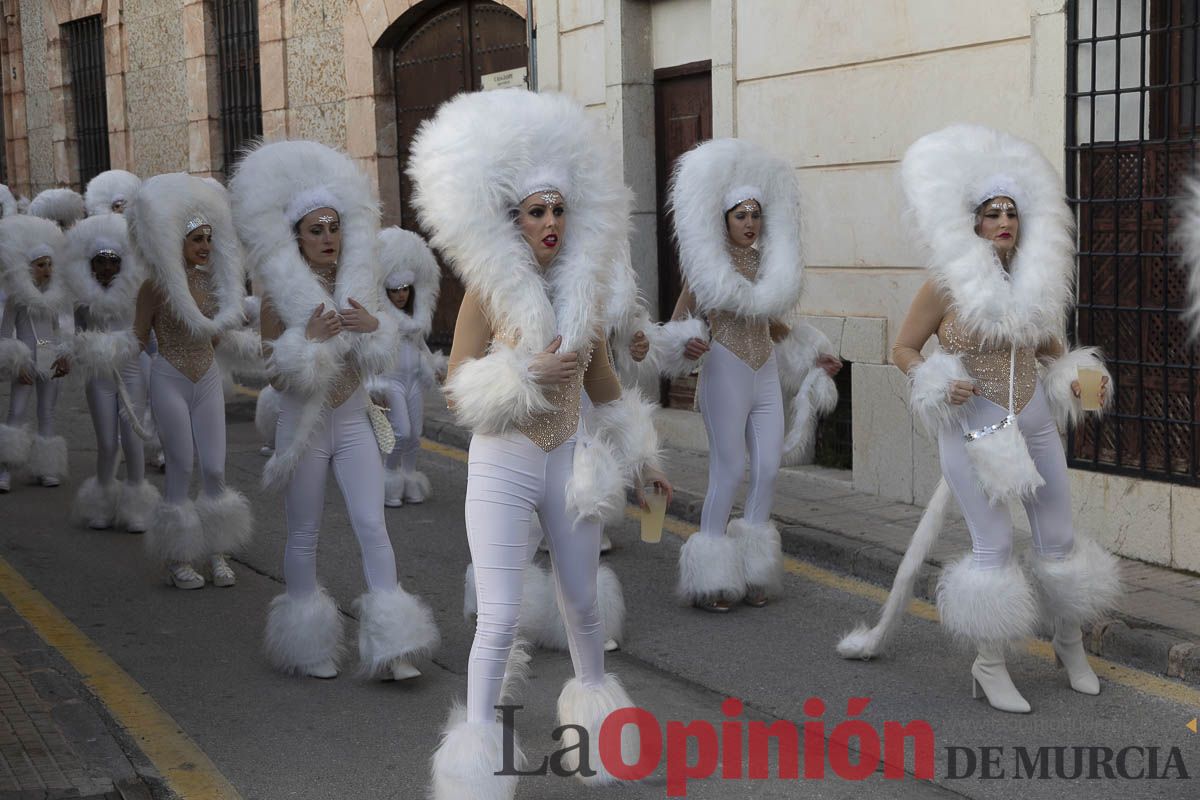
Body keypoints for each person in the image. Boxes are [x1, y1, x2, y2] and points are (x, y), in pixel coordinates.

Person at [410, 89, 668, 800]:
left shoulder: (586, 292)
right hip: (505, 464)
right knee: (497, 617)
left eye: (557, 209)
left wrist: (644, 463)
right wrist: (524, 371)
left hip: (574, 465)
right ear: (511, 220)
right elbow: (459, 386)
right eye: (536, 211)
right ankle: (474, 770)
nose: (550, 222)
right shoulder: (486, 292)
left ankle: (599, 740)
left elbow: (609, 387)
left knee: (582, 605)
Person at [837, 124, 1120, 714]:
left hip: (1035, 423)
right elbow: (903, 350)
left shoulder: (1034, 287)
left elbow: (1050, 352)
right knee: (993, 545)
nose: (1003, 222)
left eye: (1011, 212)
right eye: (992, 213)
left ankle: (1069, 646)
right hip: (974, 429)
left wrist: (1080, 380)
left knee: (1058, 538)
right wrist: (937, 379)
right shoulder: (944, 286)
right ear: (973, 223)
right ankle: (988, 665)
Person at [230, 140, 438, 682]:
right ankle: (306, 645)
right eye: (315, 230)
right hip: (303, 427)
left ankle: (394, 646)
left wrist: (375, 330)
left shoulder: (358, 285)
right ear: (297, 237)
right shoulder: (277, 297)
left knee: (373, 525)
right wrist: (310, 340)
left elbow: (378, 353)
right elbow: (274, 376)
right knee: (304, 533)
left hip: (354, 421)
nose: (327, 238)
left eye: (333, 227)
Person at [658, 138, 840, 612]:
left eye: (755, 215)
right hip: (724, 372)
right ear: (724, 220)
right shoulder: (705, 269)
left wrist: (815, 353)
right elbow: (679, 323)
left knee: (768, 467)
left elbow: (774, 324)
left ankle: (755, 566)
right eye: (740, 215)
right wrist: (688, 341)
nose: (750, 223)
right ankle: (712, 576)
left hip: (763, 374)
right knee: (729, 469)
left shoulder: (765, 265)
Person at [128, 173, 252, 590]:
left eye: (208, 238)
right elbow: (137, 338)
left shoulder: (215, 284)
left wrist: (241, 330)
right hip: (169, 379)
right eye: (196, 239)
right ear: (175, 242)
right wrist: (106, 352)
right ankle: (179, 557)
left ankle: (217, 551)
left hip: (207, 378)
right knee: (180, 465)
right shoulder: (156, 287)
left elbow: (217, 335)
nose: (204, 246)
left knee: (215, 468)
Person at [62, 213, 159, 531]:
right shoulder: (81, 300)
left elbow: (150, 336)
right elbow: (75, 337)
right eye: (99, 262)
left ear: (123, 263)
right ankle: (102, 500)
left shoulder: (135, 294)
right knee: (106, 441)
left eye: (112, 261)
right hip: (98, 376)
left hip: (132, 371)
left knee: (133, 439)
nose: (106, 268)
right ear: (89, 266)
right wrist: (67, 356)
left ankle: (136, 506)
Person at [369, 226, 443, 507]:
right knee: (401, 431)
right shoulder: (380, 319)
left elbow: (421, 345)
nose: (400, 295)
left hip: (413, 379)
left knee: (416, 434)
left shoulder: (414, 322)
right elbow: (370, 350)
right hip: (392, 381)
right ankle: (388, 476)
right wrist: (373, 383)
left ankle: (409, 477)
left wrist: (432, 363)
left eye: (405, 290)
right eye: (394, 290)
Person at [0, 216, 70, 492]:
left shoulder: (55, 297)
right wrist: (16, 362)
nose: (47, 270)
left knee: (48, 412)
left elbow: (59, 328)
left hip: (49, 358)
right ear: (28, 268)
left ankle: (46, 467)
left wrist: (64, 355)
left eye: (50, 264)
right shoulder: (17, 299)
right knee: (16, 411)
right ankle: (4, 469)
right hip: (26, 361)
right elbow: (5, 334)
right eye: (41, 265)